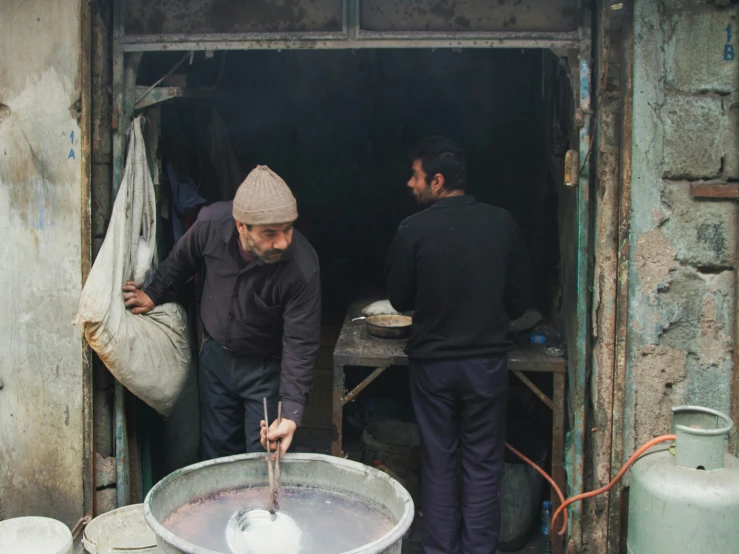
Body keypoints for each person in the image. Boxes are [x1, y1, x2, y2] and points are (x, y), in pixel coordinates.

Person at [385, 136, 532, 554]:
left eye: (415, 177)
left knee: (439, 461)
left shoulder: (412, 230)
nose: (409, 184)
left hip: (433, 367)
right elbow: (521, 300)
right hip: (486, 365)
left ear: (437, 180)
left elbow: (399, 300)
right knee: (484, 462)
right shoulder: (502, 223)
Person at [123, 165, 320, 461]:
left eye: (288, 228)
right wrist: (153, 294)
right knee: (218, 454)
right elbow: (180, 260)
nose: (283, 241)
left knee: (263, 457)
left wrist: (291, 413)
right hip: (215, 360)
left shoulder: (301, 268)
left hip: (264, 369)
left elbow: (300, 344)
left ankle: (259, 507)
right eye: (270, 233)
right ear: (242, 226)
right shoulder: (210, 225)